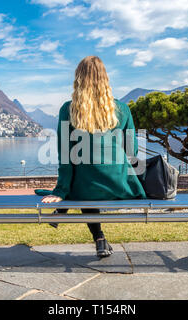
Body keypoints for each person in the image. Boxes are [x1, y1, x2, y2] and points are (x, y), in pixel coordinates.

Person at [39, 56, 146, 258]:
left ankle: (93, 233)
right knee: (90, 177)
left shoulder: (68, 110)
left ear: (78, 79)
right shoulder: (122, 109)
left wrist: (61, 191)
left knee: (85, 180)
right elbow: (132, 152)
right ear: (105, 78)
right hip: (120, 186)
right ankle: (98, 239)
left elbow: (66, 156)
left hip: (86, 190)